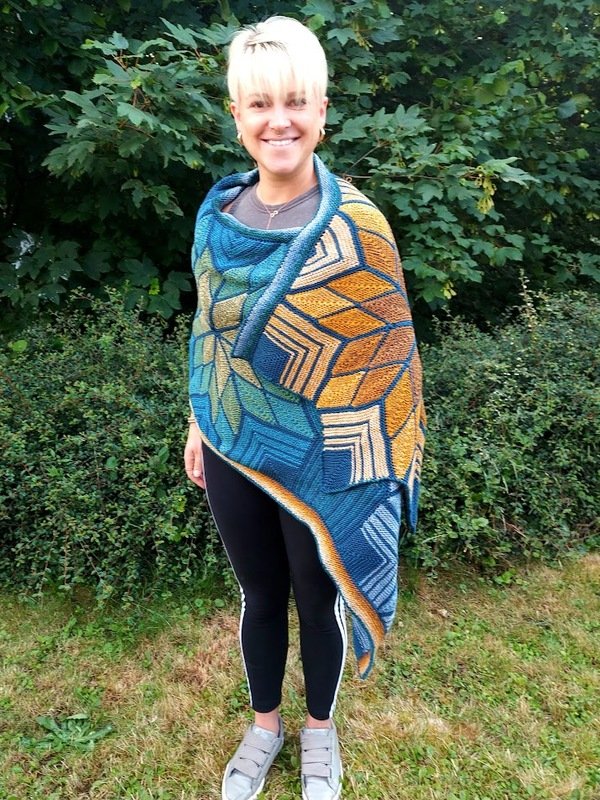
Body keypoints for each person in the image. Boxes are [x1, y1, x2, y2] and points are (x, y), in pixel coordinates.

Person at [184, 16, 425, 800]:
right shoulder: (218, 217)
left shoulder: (357, 225)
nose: (278, 120)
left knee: (317, 599)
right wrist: (198, 420)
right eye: (260, 104)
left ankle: (319, 731)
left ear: (322, 110)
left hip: (327, 453)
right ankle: (265, 728)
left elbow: (385, 357)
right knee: (260, 595)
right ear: (237, 116)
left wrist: (377, 460)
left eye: (295, 102)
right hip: (233, 437)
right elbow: (211, 332)